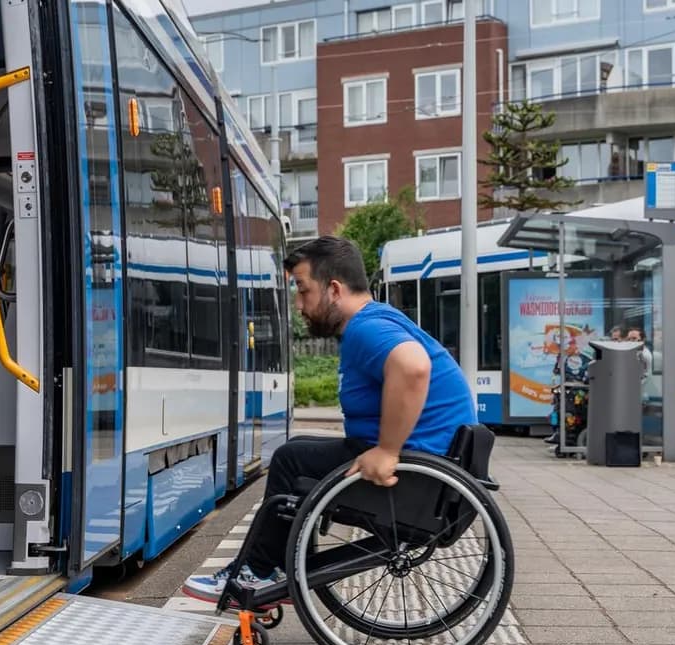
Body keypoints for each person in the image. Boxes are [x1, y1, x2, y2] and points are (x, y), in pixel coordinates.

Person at [182, 236, 477, 604]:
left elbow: (413, 367)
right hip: (429, 469)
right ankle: (269, 567)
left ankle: (258, 572)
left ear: (334, 289)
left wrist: (386, 451)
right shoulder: (377, 319)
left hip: (414, 478)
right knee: (296, 450)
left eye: (303, 290)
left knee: (291, 462)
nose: (299, 305)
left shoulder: (365, 328)